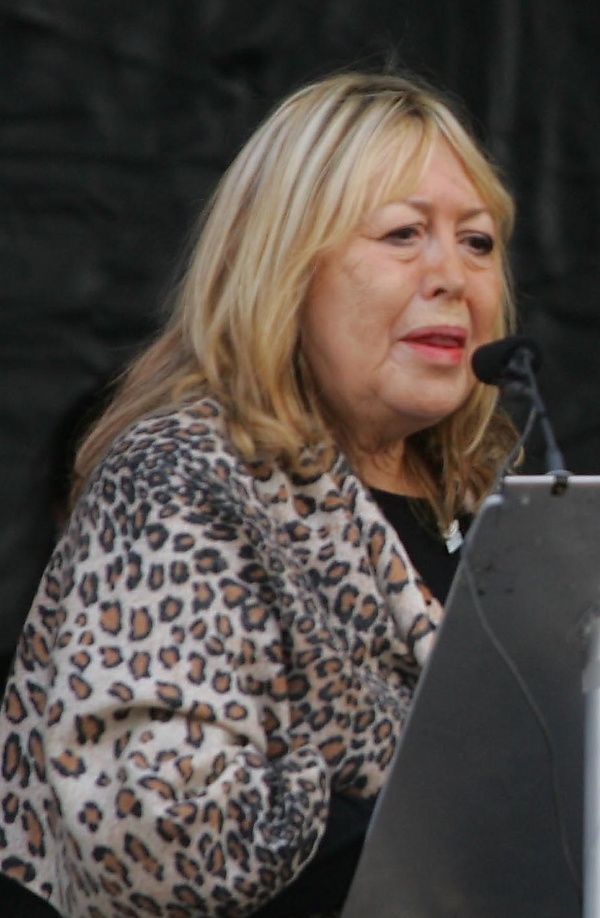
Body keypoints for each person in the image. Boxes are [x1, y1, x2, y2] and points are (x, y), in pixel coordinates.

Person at [0, 70, 519, 918]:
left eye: (478, 241)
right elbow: (161, 834)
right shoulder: (182, 475)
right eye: (403, 234)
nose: (452, 276)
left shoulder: (486, 504)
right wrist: (434, 824)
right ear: (285, 266)